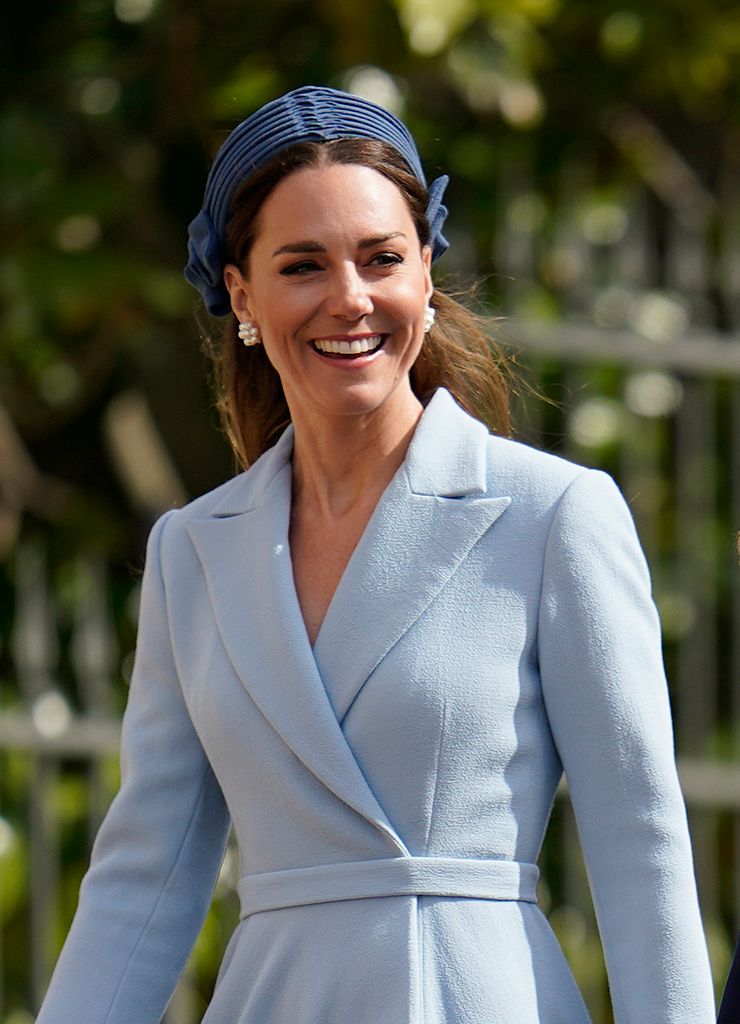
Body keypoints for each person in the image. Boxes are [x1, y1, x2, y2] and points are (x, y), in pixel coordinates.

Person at [35, 85, 715, 1024]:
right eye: (303, 264)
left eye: (382, 258)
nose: (349, 298)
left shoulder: (555, 515)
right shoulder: (192, 553)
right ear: (241, 293)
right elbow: (139, 878)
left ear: (426, 274)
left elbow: (641, 844)